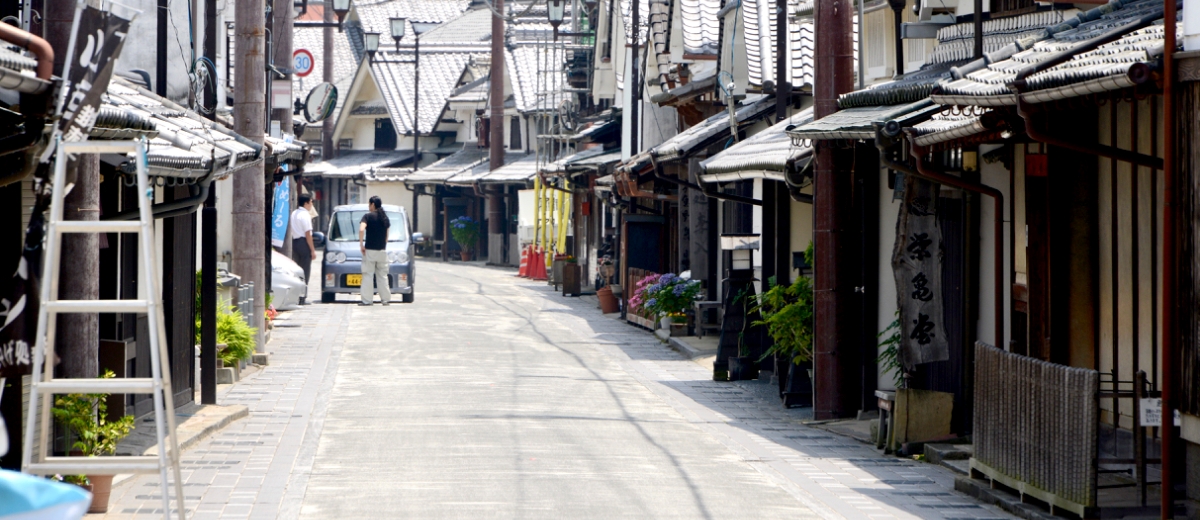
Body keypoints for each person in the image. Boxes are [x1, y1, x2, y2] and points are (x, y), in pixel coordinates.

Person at [358, 196, 391, 306]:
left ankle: (367, 301)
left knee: (368, 275)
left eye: (369, 204)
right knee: (382, 275)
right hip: (382, 250)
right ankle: (385, 299)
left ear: (373, 204)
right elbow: (387, 237)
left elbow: (361, 229)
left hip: (370, 250)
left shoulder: (367, 216)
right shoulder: (385, 218)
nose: (368, 206)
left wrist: (361, 244)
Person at [290, 194, 317, 304]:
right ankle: (302, 296)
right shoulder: (305, 215)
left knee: (296, 270)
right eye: (311, 202)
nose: (312, 205)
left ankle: (296, 295)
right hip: (303, 243)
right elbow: (308, 234)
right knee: (305, 270)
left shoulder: (294, 213)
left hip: (294, 242)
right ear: (305, 203)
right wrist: (312, 250)